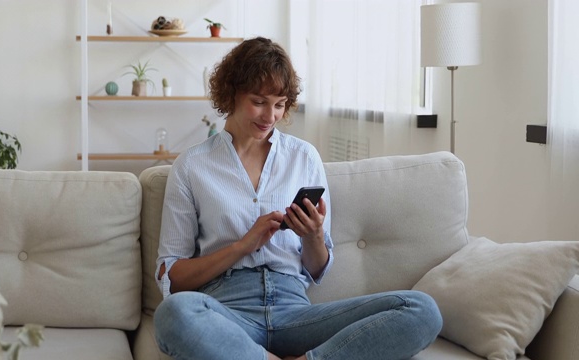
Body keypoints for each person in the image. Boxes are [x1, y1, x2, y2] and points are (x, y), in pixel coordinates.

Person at [153, 36, 442, 360]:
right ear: (231, 92)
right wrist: (243, 245)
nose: (270, 115)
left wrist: (314, 235)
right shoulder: (192, 165)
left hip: (296, 313)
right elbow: (173, 277)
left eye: (279, 104)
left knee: (420, 309)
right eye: (259, 102)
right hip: (226, 314)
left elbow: (317, 268)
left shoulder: (304, 157)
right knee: (173, 314)